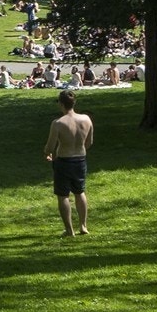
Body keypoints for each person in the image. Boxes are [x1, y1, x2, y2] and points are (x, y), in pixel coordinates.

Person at [43, 91, 95, 236]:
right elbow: (89, 142)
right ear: (74, 103)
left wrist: (48, 154)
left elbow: (50, 147)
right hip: (80, 160)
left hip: (64, 161)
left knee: (63, 195)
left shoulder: (58, 123)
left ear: (61, 104)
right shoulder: (86, 119)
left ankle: (69, 229)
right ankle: (83, 226)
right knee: (80, 192)